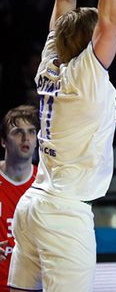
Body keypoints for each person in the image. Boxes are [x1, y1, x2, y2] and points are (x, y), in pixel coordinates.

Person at [8, 0, 116, 291]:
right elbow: (112, 19)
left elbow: (64, 0)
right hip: (63, 211)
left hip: (32, 205)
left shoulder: (50, 62)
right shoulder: (86, 74)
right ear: (90, 43)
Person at [0, 105, 38, 290]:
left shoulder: (46, 184)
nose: (26, 138)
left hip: (31, 286)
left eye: (31, 132)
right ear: (3, 141)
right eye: (17, 132)